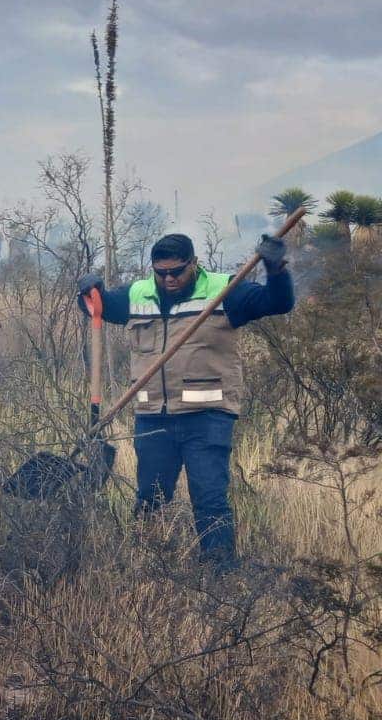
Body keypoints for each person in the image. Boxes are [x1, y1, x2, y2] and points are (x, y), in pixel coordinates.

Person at [78, 232, 294, 565]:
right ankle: (151, 569)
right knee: (150, 500)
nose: (169, 279)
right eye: (161, 272)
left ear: (193, 263)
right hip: (152, 418)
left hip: (207, 417)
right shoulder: (139, 294)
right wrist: (87, 292)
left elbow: (278, 303)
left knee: (209, 500)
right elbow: (99, 307)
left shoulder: (224, 291)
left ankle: (220, 575)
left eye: (177, 272)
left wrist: (276, 269)